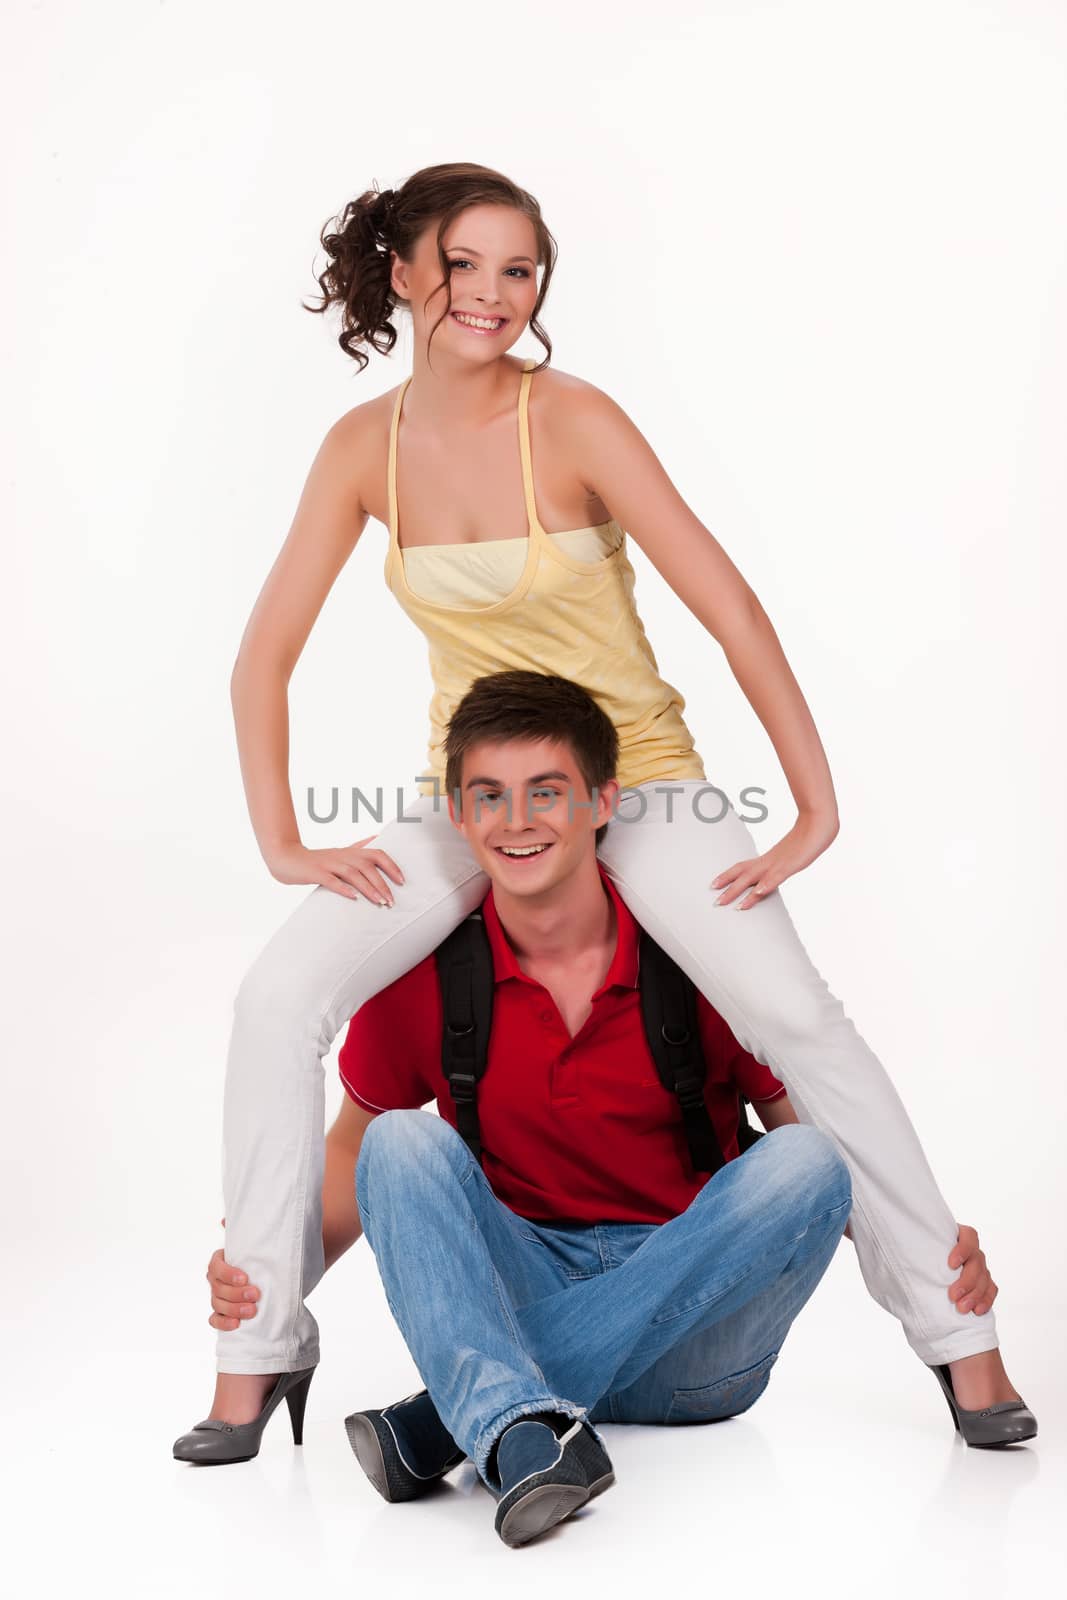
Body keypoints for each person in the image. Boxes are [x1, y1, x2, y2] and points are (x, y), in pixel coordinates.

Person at [175, 159, 1032, 1454]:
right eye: (463, 263)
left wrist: (812, 805)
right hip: (485, 797)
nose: (492, 293)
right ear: (405, 272)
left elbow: (726, 604)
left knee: (792, 1012)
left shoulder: (569, 420)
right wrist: (282, 841)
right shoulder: (363, 452)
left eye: (518, 269)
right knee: (276, 996)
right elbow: (261, 657)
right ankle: (257, 1349)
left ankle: (954, 1335)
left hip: (637, 779)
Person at [183, 676, 1031, 1545]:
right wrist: (272, 1270)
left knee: (811, 1161)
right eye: (489, 797)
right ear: (457, 817)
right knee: (397, 1143)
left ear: (602, 804)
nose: (517, 821)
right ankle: (510, 1422)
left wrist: (933, 1261)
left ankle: (461, 1416)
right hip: (522, 1277)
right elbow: (347, 1162)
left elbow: (802, 1174)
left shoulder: (699, 956)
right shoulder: (425, 979)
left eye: (546, 793)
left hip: (695, 1346)